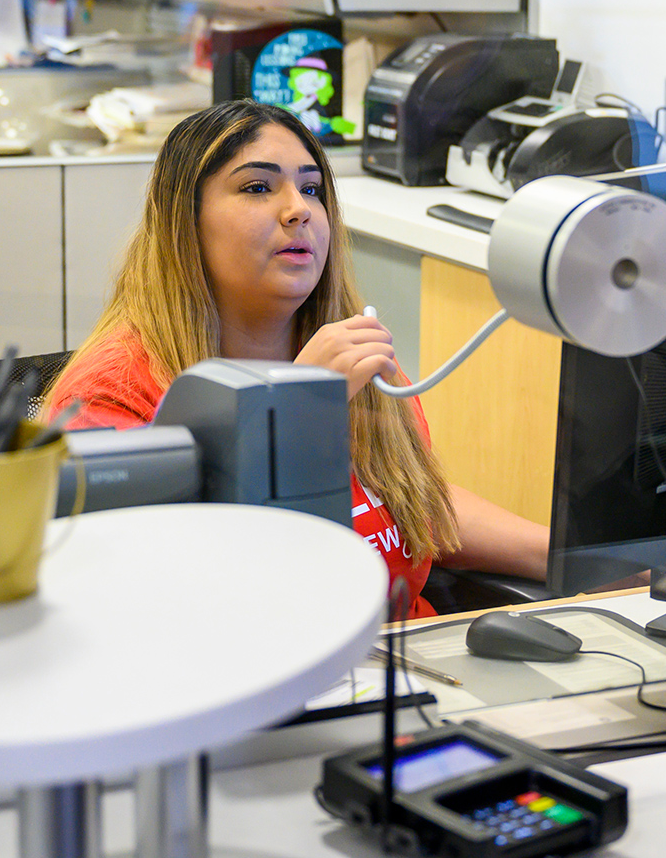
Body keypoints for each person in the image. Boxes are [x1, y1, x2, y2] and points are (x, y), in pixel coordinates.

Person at [46, 101, 549, 616]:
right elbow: (162, 593)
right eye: (257, 188)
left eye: (311, 189)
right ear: (184, 224)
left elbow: (408, 500)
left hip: (405, 665)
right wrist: (295, 411)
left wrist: (567, 556)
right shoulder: (111, 395)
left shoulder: (355, 360)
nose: (299, 209)